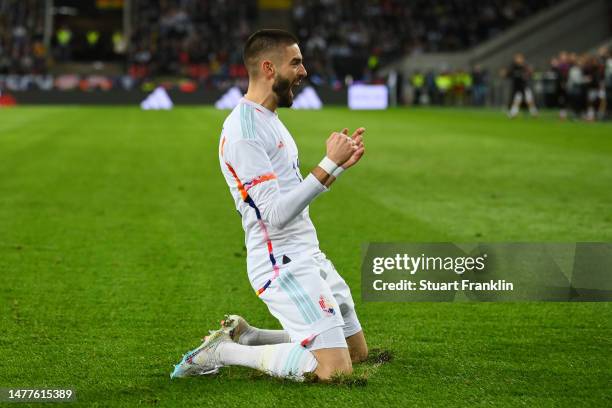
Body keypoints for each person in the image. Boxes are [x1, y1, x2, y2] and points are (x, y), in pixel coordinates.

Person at [171, 29, 368, 382]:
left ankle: (250, 336)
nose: (304, 71)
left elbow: (291, 195)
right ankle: (223, 351)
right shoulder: (244, 131)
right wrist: (326, 165)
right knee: (333, 369)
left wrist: (336, 165)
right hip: (281, 264)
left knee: (356, 351)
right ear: (268, 68)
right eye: (296, 63)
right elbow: (274, 215)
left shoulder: (269, 119)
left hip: (307, 253)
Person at [505, 53, 538, 118]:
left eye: (519, 58)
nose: (518, 60)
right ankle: (513, 113)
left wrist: (530, 73)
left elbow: (530, 74)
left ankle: (534, 112)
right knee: (517, 100)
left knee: (529, 100)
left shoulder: (525, 66)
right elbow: (508, 75)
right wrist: (505, 74)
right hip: (517, 87)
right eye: (517, 58)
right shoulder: (513, 67)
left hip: (524, 86)